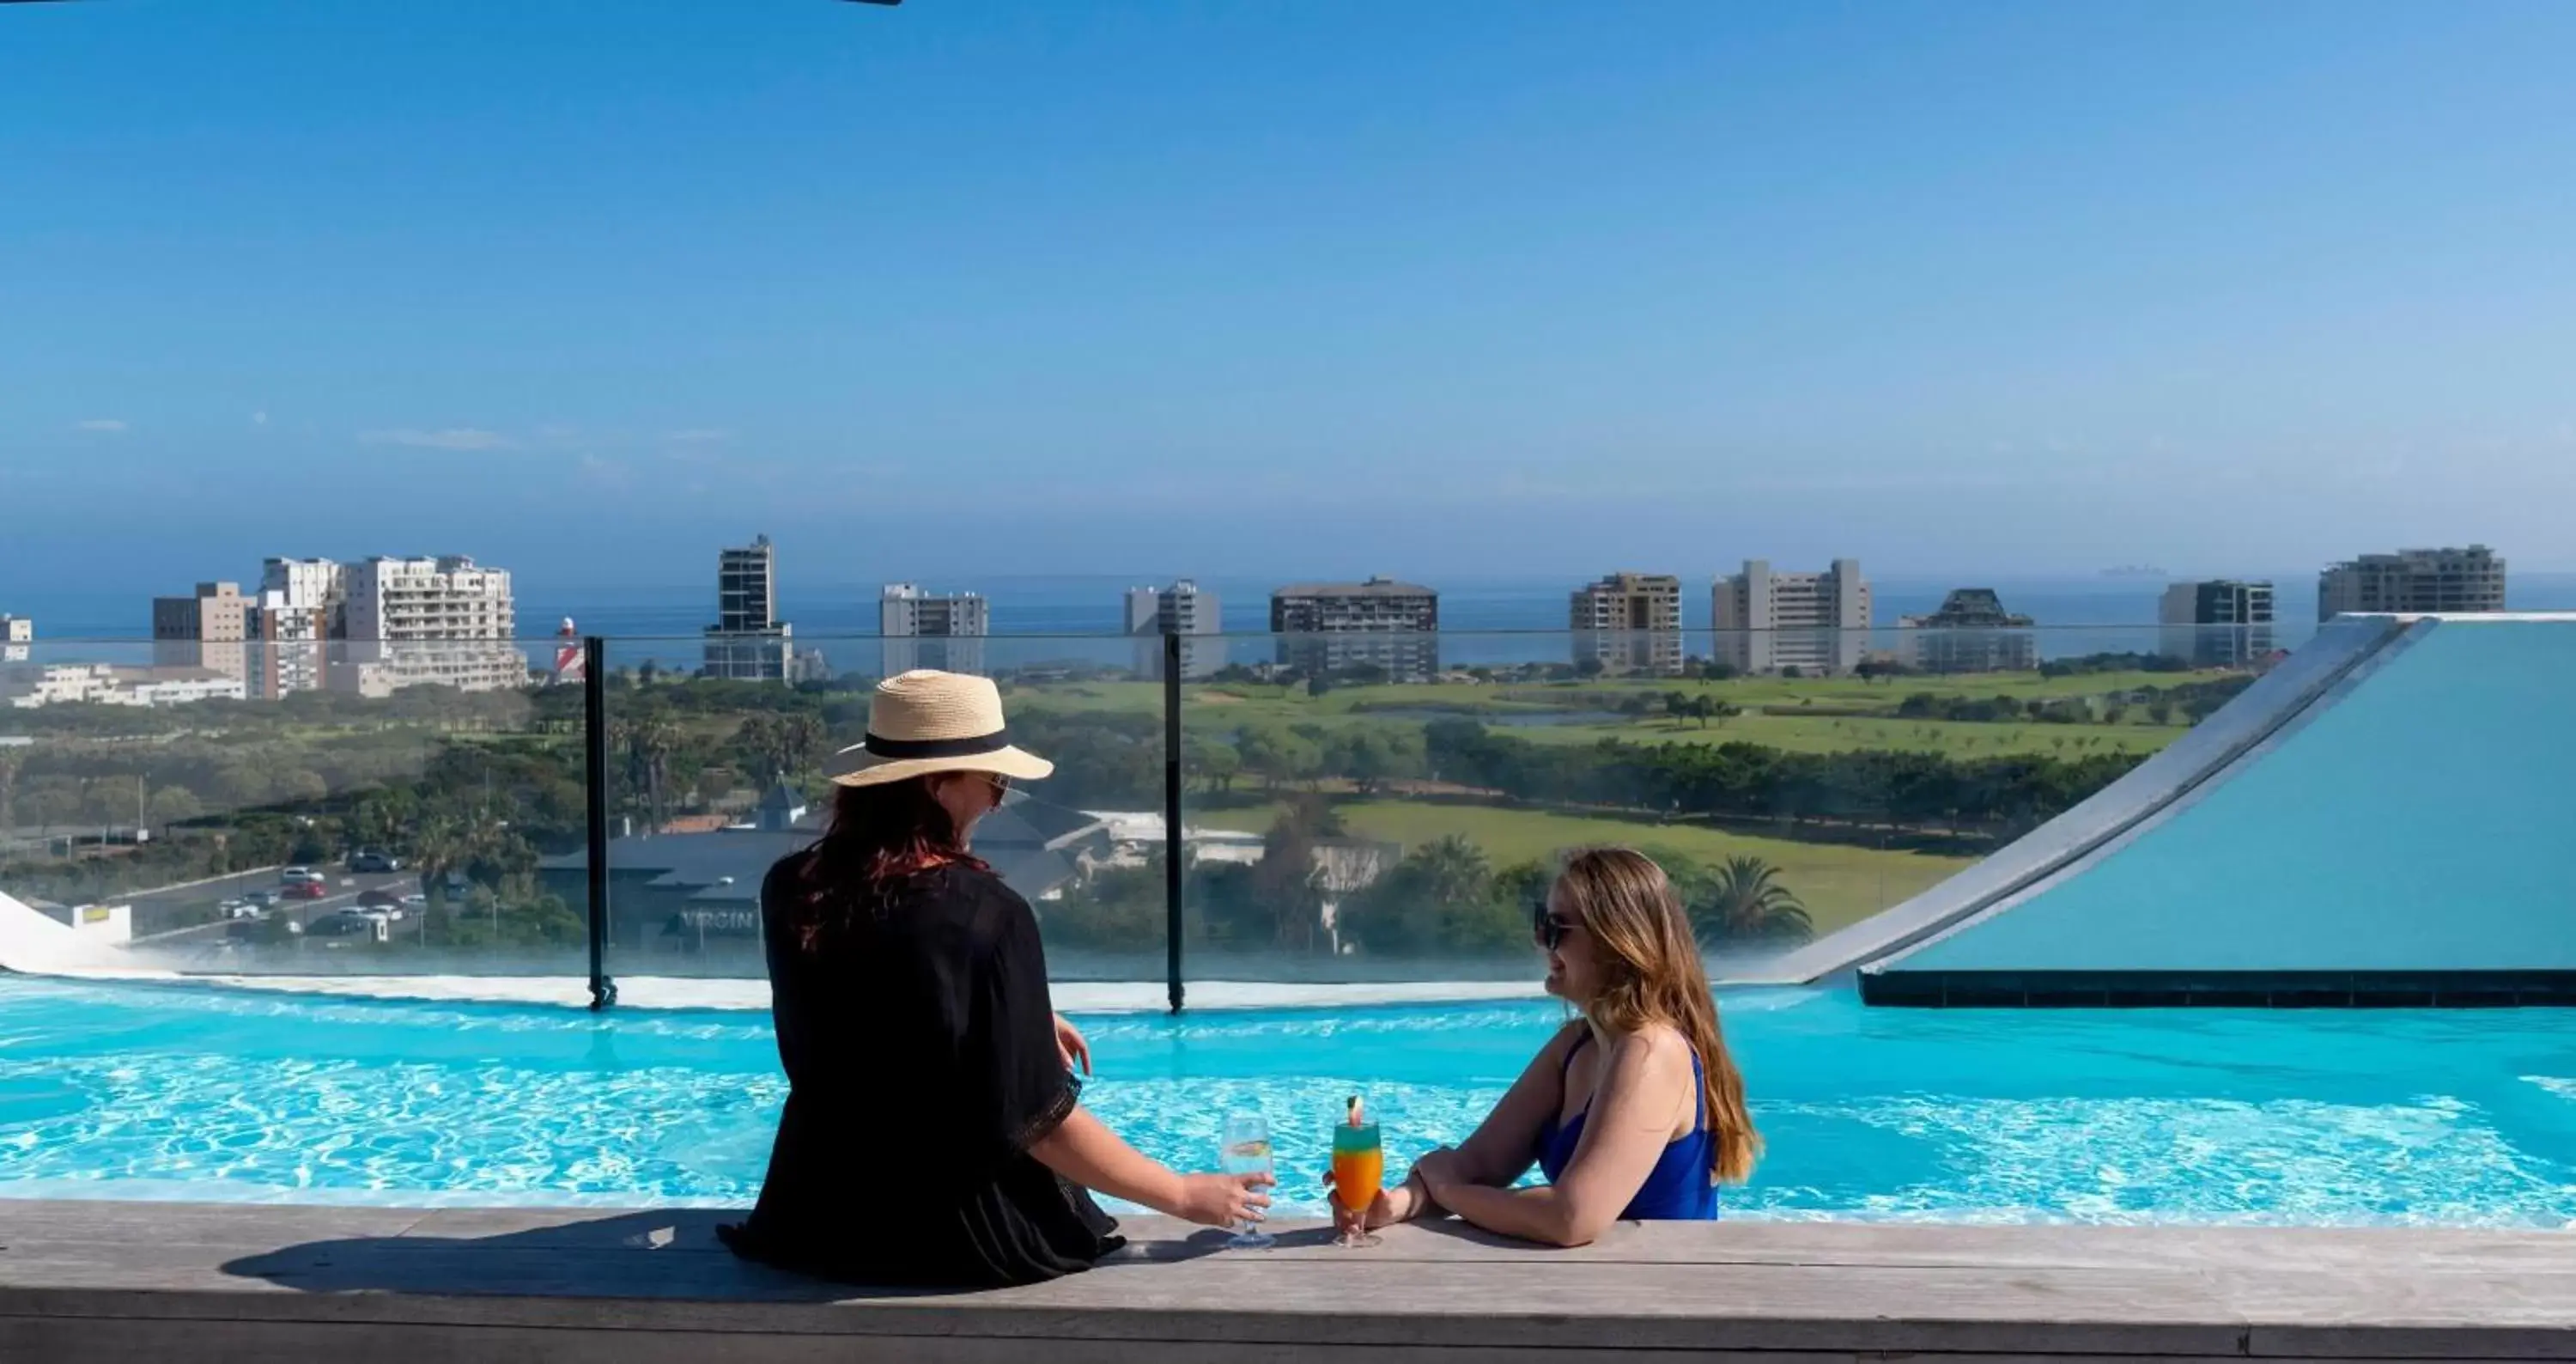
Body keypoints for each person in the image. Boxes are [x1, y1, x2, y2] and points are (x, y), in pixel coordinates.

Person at [720, 670, 1269, 1288]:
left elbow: (863, 1024)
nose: (998, 797)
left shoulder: (793, 889)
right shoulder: (986, 913)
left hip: (814, 1220)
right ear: (936, 786)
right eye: (993, 779)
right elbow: (1036, 1124)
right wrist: (1183, 1194)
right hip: (947, 1239)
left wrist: (1017, 1017)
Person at [1332, 847, 1757, 1247]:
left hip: (1667, 1307)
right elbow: (1479, 1162)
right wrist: (1397, 1204)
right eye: (1541, 921)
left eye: (1556, 927)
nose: (1540, 940)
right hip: (1601, 1298)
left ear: (1618, 941)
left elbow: (1572, 1217)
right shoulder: (1575, 1048)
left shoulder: (1651, 1051)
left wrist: (1449, 1191)